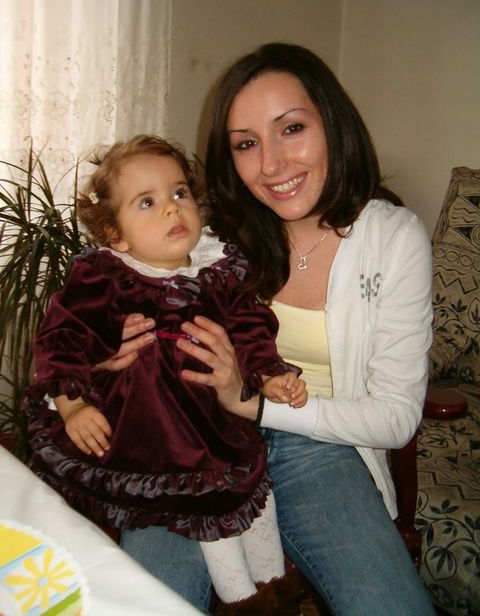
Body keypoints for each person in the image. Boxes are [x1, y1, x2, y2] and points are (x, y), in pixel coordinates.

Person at [102, 43, 438, 615]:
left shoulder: (393, 240)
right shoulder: (208, 237)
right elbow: (111, 287)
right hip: (194, 444)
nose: (272, 165)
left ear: (332, 123)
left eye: (292, 129)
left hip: (322, 448)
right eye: (247, 144)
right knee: (148, 601)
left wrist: (256, 406)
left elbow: (396, 417)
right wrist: (107, 354)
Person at [26, 134, 308, 614]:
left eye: (179, 193)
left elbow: (251, 327)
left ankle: (276, 588)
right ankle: (245, 602)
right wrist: (72, 405)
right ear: (116, 234)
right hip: (153, 436)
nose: (172, 209)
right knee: (215, 519)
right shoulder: (105, 278)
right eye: (147, 202)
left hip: (215, 423)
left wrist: (267, 373)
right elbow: (61, 338)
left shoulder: (221, 270)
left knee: (255, 501)